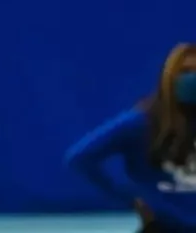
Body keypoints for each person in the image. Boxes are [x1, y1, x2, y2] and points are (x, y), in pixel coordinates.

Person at [65, 43, 196, 233]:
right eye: (185, 71)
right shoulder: (141, 122)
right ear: (169, 78)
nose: (193, 78)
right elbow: (79, 157)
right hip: (165, 226)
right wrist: (129, 198)